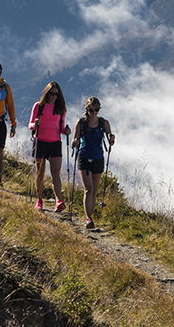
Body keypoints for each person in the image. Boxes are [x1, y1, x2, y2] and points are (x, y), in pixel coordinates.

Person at [71, 96, 115, 229]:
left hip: (98, 158)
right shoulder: (81, 123)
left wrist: (111, 138)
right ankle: (88, 218)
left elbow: (110, 139)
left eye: (96, 110)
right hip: (84, 157)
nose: (94, 112)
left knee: (94, 190)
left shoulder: (104, 123)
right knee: (88, 189)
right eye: (91, 110)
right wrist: (75, 142)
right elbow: (74, 139)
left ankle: (89, 217)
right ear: (87, 109)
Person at [28, 81, 70, 211]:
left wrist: (66, 131)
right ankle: (39, 200)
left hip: (55, 143)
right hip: (40, 141)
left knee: (56, 173)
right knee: (39, 173)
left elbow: (60, 127)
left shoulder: (61, 109)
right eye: (51, 93)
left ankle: (58, 201)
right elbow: (30, 125)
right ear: (46, 93)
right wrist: (35, 125)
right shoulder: (38, 106)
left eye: (56, 94)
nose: (53, 96)